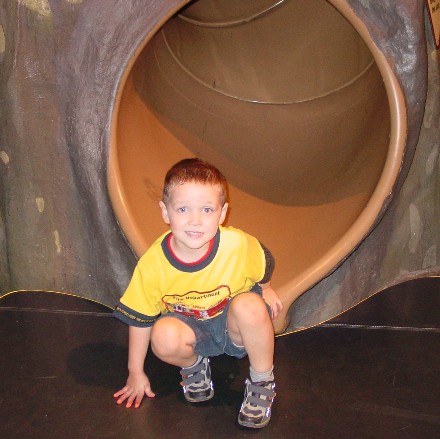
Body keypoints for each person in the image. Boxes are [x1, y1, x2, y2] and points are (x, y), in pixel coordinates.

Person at [113, 158, 283, 429]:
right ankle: (194, 365)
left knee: (251, 306)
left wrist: (266, 288)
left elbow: (264, 259)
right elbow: (140, 319)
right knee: (163, 336)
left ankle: (262, 382)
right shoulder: (153, 264)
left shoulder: (236, 245)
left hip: (233, 325)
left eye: (207, 209)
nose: (195, 220)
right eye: (183, 209)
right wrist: (135, 372)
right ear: (165, 212)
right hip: (191, 327)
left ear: (222, 213)